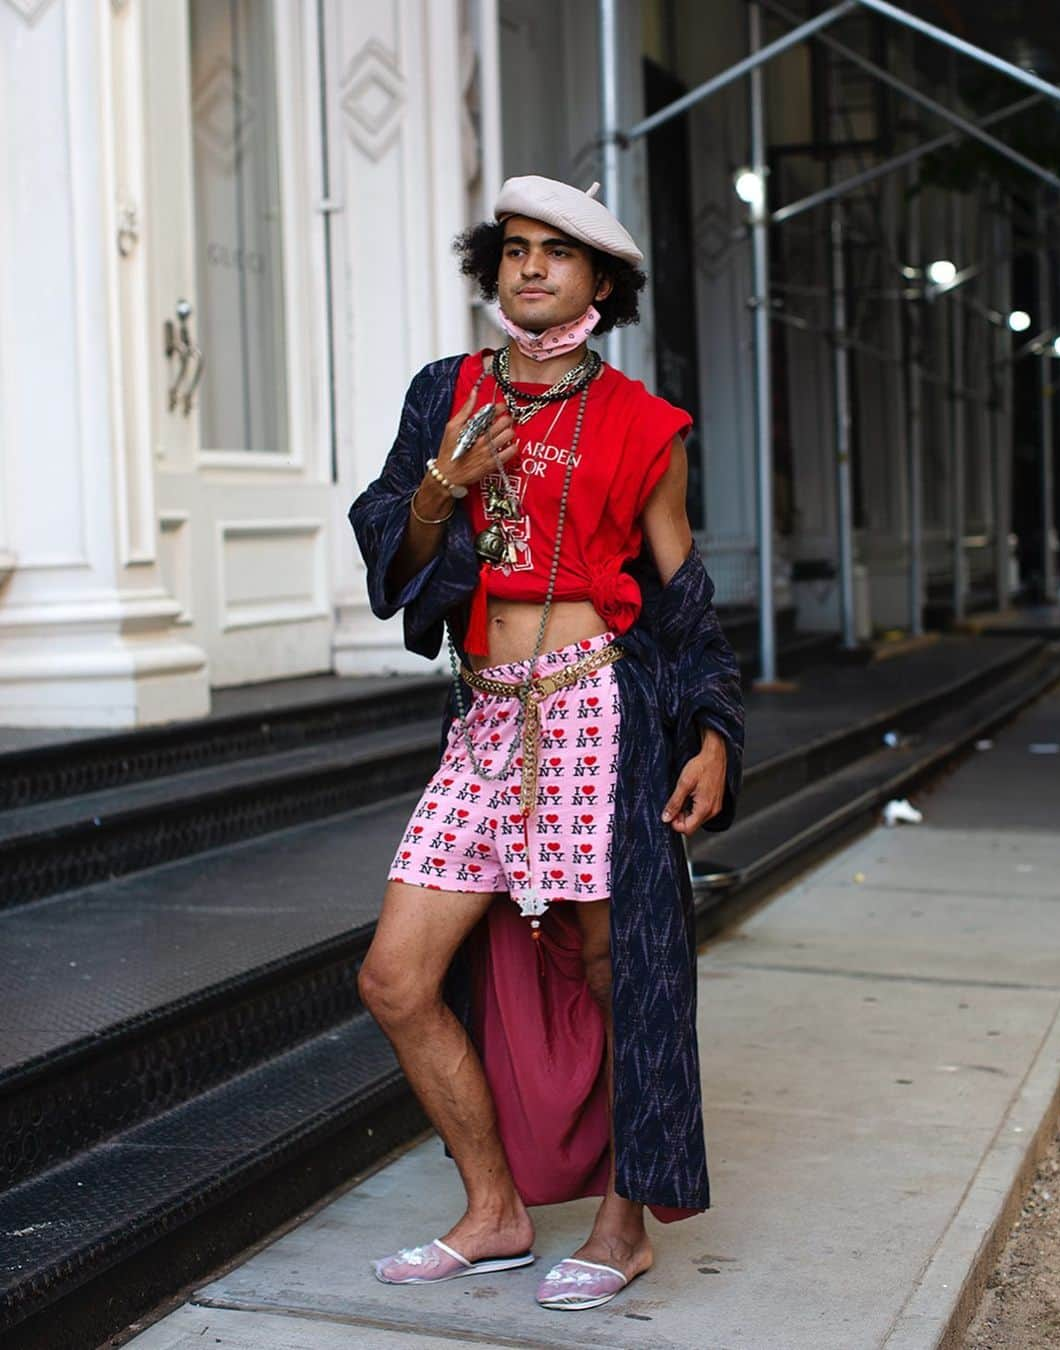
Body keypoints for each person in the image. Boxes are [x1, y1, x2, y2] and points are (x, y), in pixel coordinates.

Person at [347, 174, 745, 1312]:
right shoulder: (447, 393)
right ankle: (495, 1211)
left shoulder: (641, 424)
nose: (529, 267)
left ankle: (623, 1227)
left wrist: (712, 729)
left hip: (594, 713)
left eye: (556, 254)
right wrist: (441, 485)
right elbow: (395, 538)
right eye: (514, 249)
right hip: (484, 714)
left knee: (621, 978)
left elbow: (683, 599)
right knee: (395, 977)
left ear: (600, 284)